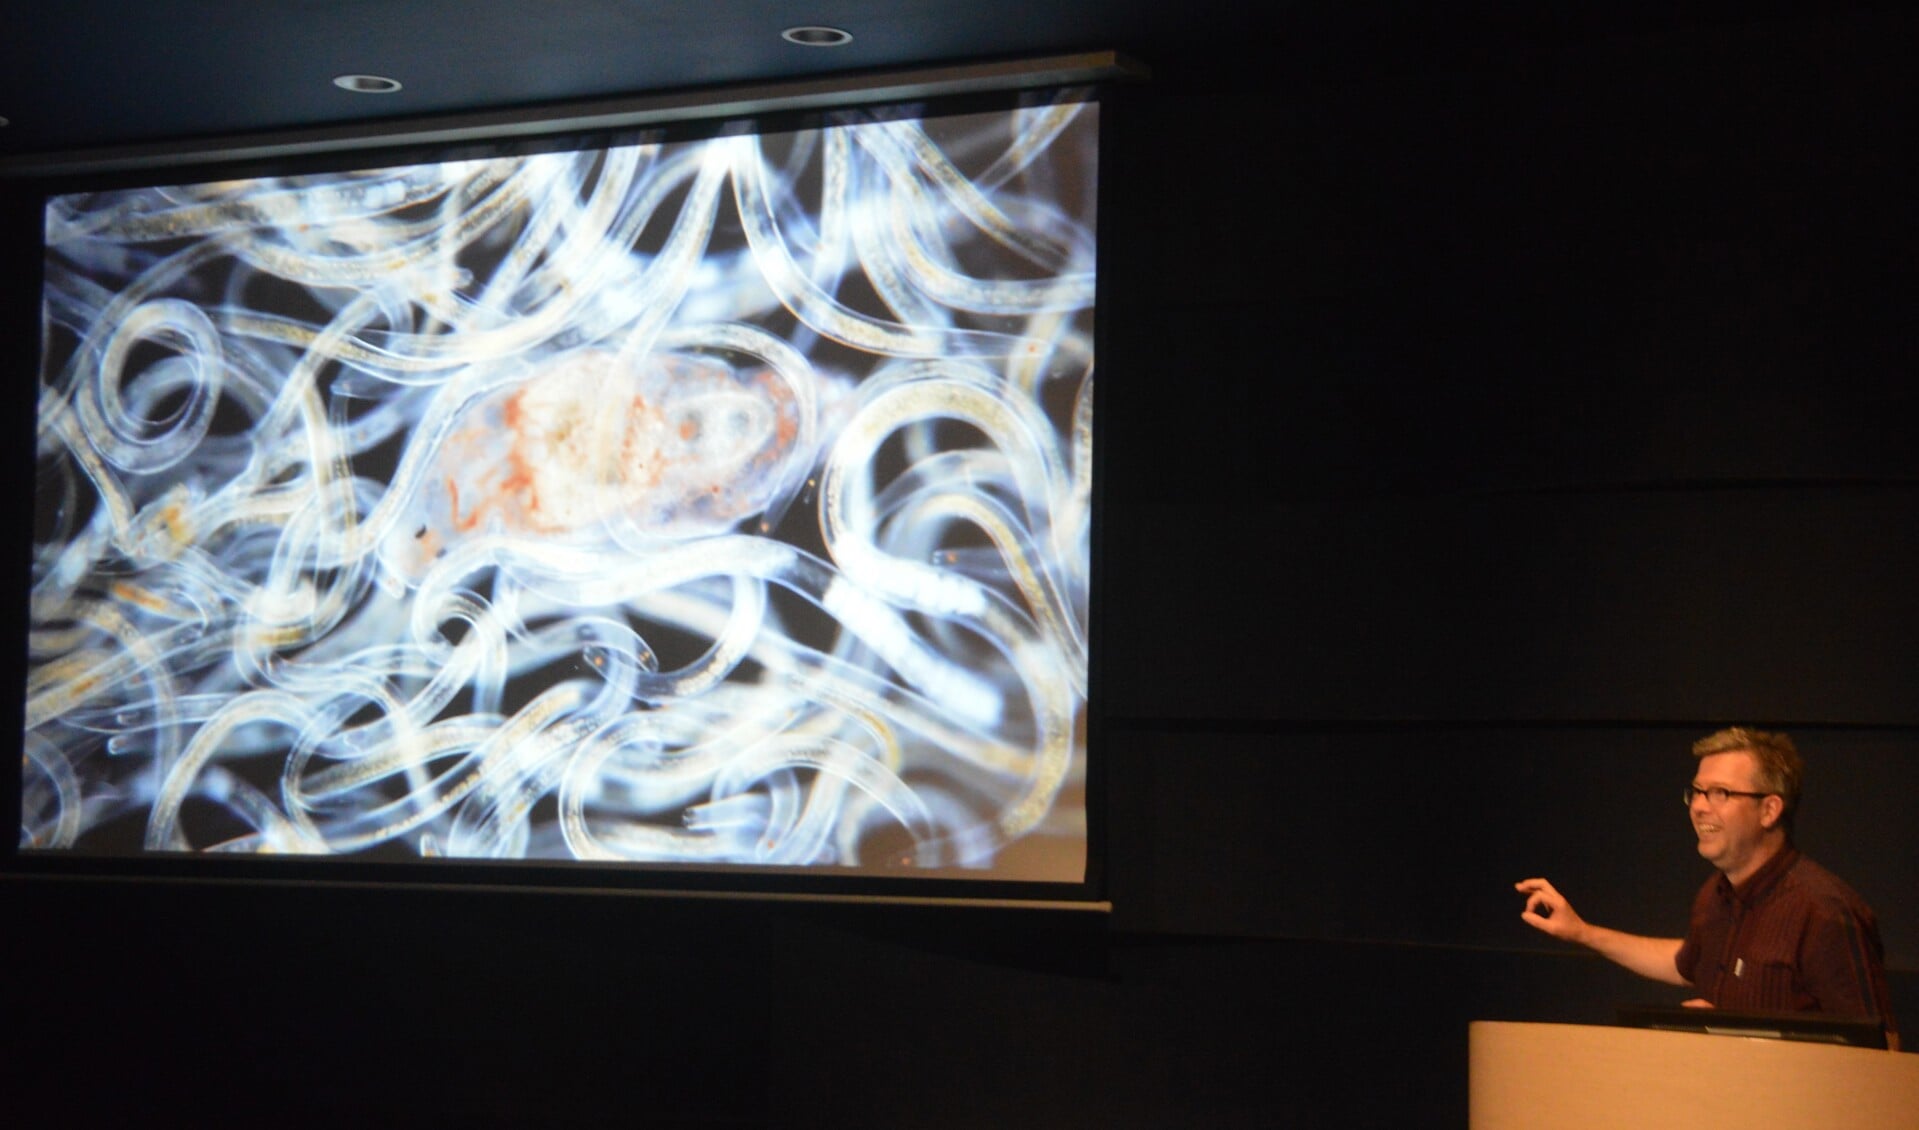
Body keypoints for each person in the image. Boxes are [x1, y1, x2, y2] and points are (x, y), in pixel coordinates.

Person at [1515, 726, 1898, 1048]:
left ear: (1769, 810)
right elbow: (1686, 963)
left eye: (1720, 793)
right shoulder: (1714, 896)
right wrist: (1582, 931)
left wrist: (1737, 1035)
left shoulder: (1824, 910)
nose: (1698, 807)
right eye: (1696, 792)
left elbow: (1881, 1049)